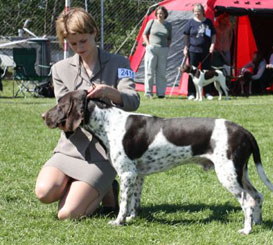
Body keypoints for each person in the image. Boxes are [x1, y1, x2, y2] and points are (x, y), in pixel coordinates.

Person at [35, 8, 140, 220]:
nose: (79, 48)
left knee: (67, 214)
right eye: (73, 44)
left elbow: (133, 101)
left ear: (94, 32)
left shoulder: (121, 63)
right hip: (70, 148)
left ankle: (101, 185)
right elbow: (64, 112)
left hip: (105, 152)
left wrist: (111, 92)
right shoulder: (60, 69)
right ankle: (92, 187)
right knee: (44, 193)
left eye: (83, 41)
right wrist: (57, 120)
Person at [183, 3, 216, 100]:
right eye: (195, 11)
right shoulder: (190, 22)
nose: (197, 13)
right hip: (193, 50)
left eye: (198, 11)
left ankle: (208, 93)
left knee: (207, 72)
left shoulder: (208, 22)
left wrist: (212, 45)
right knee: (192, 72)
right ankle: (191, 93)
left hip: (206, 51)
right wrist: (185, 48)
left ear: (203, 12)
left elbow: (214, 35)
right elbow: (186, 36)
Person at [142, 6, 172, 99]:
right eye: (158, 13)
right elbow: (144, 34)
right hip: (151, 49)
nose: (160, 15)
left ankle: (161, 93)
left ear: (165, 14)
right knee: (149, 71)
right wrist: (148, 45)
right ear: (156, 14)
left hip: (163, 49)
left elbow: (169, 38)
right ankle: (148, 92)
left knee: (161, 72)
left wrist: (167, 47)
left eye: (162, 13)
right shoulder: (151, 22)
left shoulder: (168, 25)